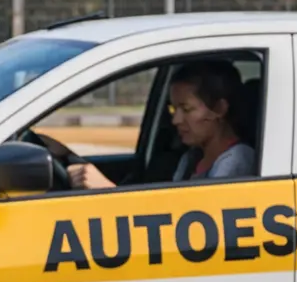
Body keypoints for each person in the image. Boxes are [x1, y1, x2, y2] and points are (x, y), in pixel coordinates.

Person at [68, 59, 257, 189]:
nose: (176, 120)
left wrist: (109, 190)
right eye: (174, 110)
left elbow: (195, 223)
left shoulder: (236, 161)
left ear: (219, 109)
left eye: (187, 109)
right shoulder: (191, 158)